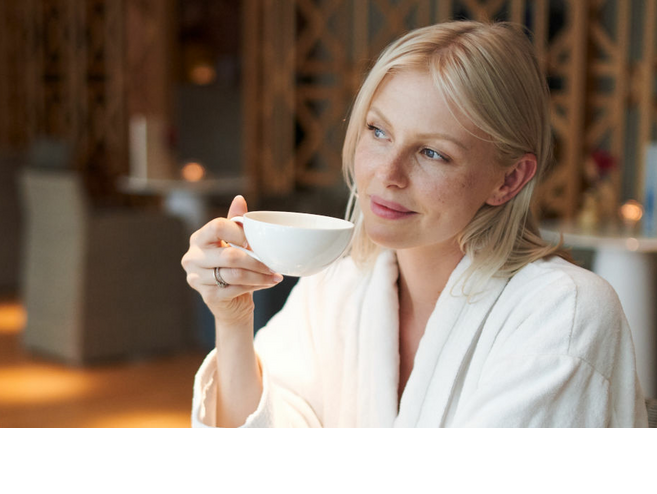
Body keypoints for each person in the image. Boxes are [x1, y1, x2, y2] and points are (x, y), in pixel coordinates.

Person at [181, 20, 647, 427]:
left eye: (432, 153)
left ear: (509, 179)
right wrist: (233, 320)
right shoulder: (338, 288)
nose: (387, 175)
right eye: (378, 132)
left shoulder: (565, 315)